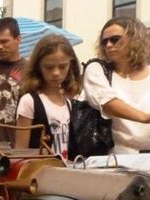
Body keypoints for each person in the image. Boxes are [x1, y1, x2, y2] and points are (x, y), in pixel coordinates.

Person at [83, 16, 150, 153]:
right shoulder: (97, 69)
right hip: (114, 157)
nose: (108, 45)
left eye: (115, 39)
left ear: (134, 39)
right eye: (104, 42)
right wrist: (146, 118)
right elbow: (108, 103)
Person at [15, 34, 82, 160]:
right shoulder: (29, 101)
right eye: (49, 67)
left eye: (62, 66)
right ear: (38, 67)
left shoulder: (68, 102)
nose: (56, 73)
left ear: (70, 65)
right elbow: (20, 151)